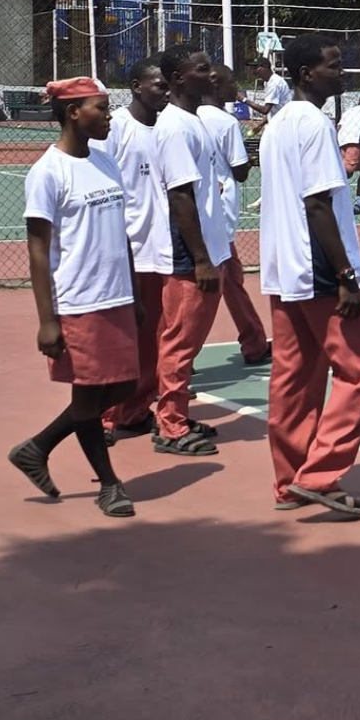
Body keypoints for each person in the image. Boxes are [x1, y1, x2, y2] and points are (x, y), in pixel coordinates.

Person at [259, 36, 360, 519]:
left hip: (285, 268)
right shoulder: (313, 123)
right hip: (320, 270)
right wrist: (346, 274)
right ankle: (319, 474)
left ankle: (290, 481)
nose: (342, 72)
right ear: (307, 74)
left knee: (294, 377)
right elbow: (317, 204)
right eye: (334, 65)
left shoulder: (278, 123)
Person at [8, 77, 144, 518]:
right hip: (78, 302)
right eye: (100, 108)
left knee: (126, 385)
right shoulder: (48, 172)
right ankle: (109, 484)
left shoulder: (105, 162)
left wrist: (134, 293)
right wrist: (47, 320)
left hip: (116, 296)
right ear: (72, 113)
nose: (108, 116)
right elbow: (38, 250)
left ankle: (37, 447)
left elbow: (122, 233)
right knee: (88, 398)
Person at [149, 43, 233, 457]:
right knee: (180, 341)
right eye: (202, 69)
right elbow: (180, 197)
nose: (211, 74)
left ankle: (175, 412)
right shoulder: (175, 127)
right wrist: (200, 259)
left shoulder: (194, 120)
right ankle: (170, 425)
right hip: (189, 255)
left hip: (208, 250)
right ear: (178, 79)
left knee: (188, 340)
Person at [94, 58, 173, 442]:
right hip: (127, 251)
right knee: (122, 340)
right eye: (158, 85)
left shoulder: (171, 128)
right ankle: (105, 416)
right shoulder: (117, 129)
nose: (166, 92)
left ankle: (135, 410)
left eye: (168, 85)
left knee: (153, 338)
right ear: (137, 86)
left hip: (163, 250)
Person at [198, 59, 271, 365]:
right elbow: (239, 171)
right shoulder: (225, 122)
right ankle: (177, 355)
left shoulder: (189, 117)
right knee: (212, 291)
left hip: (203, 211)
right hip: (221, 214)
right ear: (216, 85)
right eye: (232, 83)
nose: (236, 88)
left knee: (231, 283)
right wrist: (250, 158)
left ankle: (254, 342)